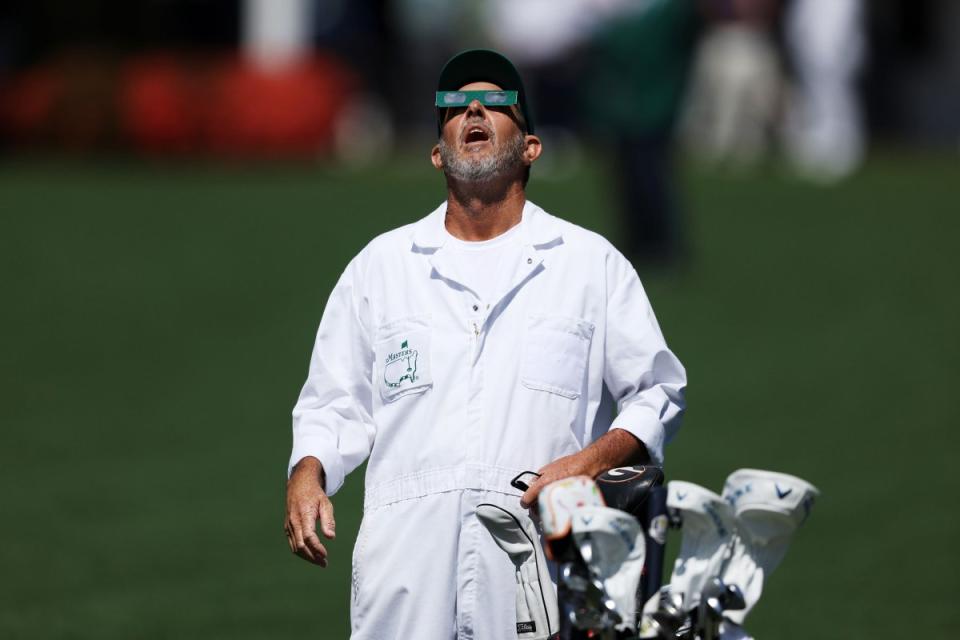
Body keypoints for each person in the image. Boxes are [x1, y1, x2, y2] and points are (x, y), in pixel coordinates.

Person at [284, 49, 686, 639]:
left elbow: (658, 392)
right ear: (436, 150)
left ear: (531, 147)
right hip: (404, 567)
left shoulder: (590, 265)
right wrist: (308, 472)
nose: (473, 108)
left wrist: (586, 464)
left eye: (497, 102)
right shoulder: (382, 267)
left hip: (542, 557)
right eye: (453, 105)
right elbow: (331, 401)